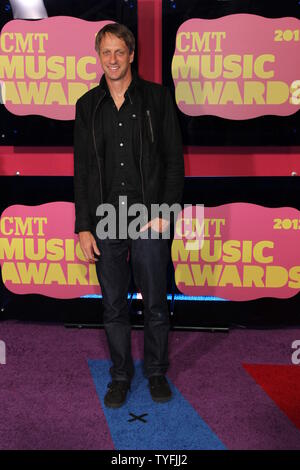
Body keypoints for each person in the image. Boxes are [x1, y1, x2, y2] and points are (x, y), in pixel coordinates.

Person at [73, 23, 184, 408]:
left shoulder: (157, 98)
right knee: (114, 304)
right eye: (106, 52)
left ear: (132, 54)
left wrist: (166, 213)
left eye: (120, 51)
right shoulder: (87, 106)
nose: (113, 59)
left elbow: (174, 162)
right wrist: (83, 226)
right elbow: (84, 171)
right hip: (106, 217)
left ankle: (156, 372)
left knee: (154, 302)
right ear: (98, 56)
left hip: (150, 215)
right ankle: (120, 375)